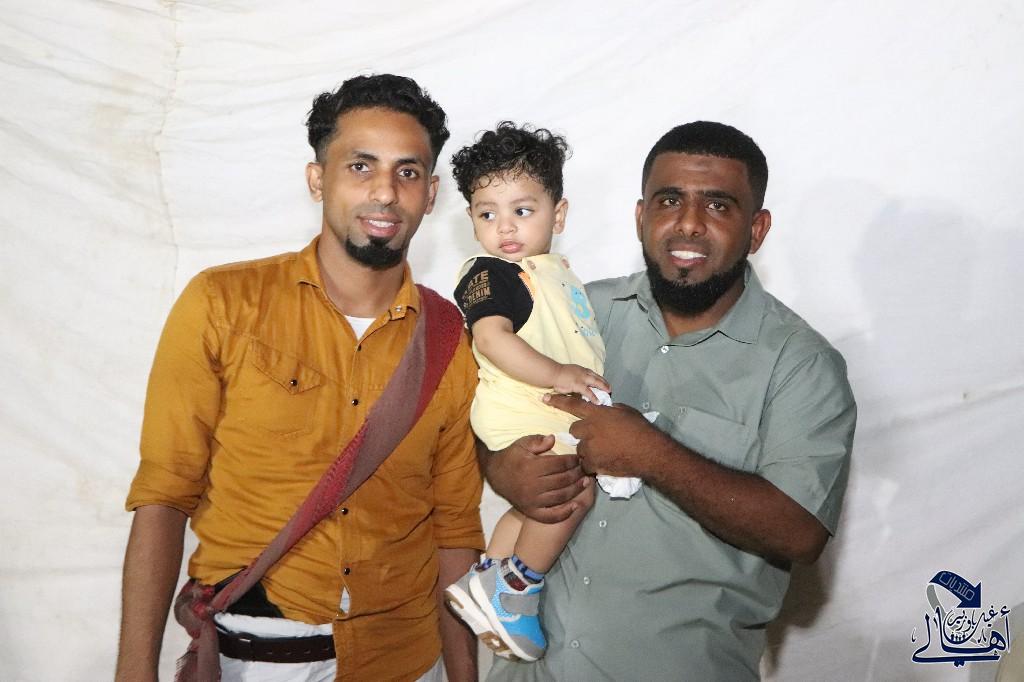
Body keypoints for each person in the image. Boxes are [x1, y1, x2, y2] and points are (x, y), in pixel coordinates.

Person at [115, 74, 484, 682]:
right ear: (317, 180)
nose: (385, 192)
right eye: (361, 166)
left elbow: (455, 527)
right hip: (252, 659)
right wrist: (134, 671)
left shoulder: (450, 339)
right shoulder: (223, 304)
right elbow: (164, 493)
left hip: (406, 662)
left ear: (431, 193)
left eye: (408, 172)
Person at [485, 121, 857, 681]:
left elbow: (800, 532)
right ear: (641, 217)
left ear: (757, 229)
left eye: (718, 205)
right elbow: (495, 409)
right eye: (669, 200)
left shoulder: (801, 365)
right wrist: (504, 468)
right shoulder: (579, 308)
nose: (688, 223)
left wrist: (652, 455)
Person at [440, 122, 613, 663]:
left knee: (533, 504)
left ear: (558, 215)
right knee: (572, 495)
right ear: (470, 219)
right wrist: (559, 373)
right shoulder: (490, 273)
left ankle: (487, 577)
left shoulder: (555, 272)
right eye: (487, 214)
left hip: (549, 409)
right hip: (520, 407)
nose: (505, 227)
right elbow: (492, 339)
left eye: (522, 210)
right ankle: (518, 587)